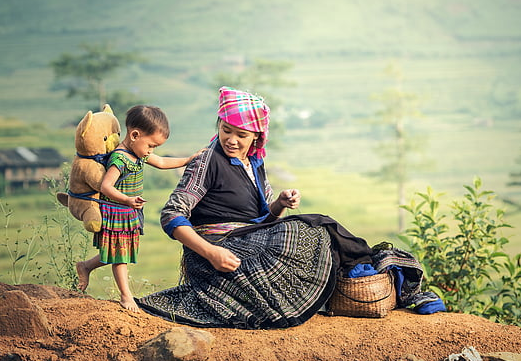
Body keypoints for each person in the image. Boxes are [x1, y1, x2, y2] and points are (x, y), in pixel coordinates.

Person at [136, 87, 378, 328]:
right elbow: (171, 215)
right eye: (226, 130)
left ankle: (365, 276)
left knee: (317, 230)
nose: (231, 140)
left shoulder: (255, 163)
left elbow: (263, 221)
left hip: (248, 241)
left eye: (241, 135)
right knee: (311, 227)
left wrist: (280, 204)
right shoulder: (206, 161)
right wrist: (211, 253)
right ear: (218, 125)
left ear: (256, 137)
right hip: (218, 251)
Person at [76, 105, 203, 312]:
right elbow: (106, 186)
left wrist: (189, 160)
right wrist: (126, 199)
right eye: (151, 145)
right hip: (117, 211)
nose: (152, 151)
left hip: (129, 212)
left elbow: (161, 162)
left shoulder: (139, 153)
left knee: (120, 251)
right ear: (135, 135)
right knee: (120, 256)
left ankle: (86, 266)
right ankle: (126, 297)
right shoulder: (120, 158)